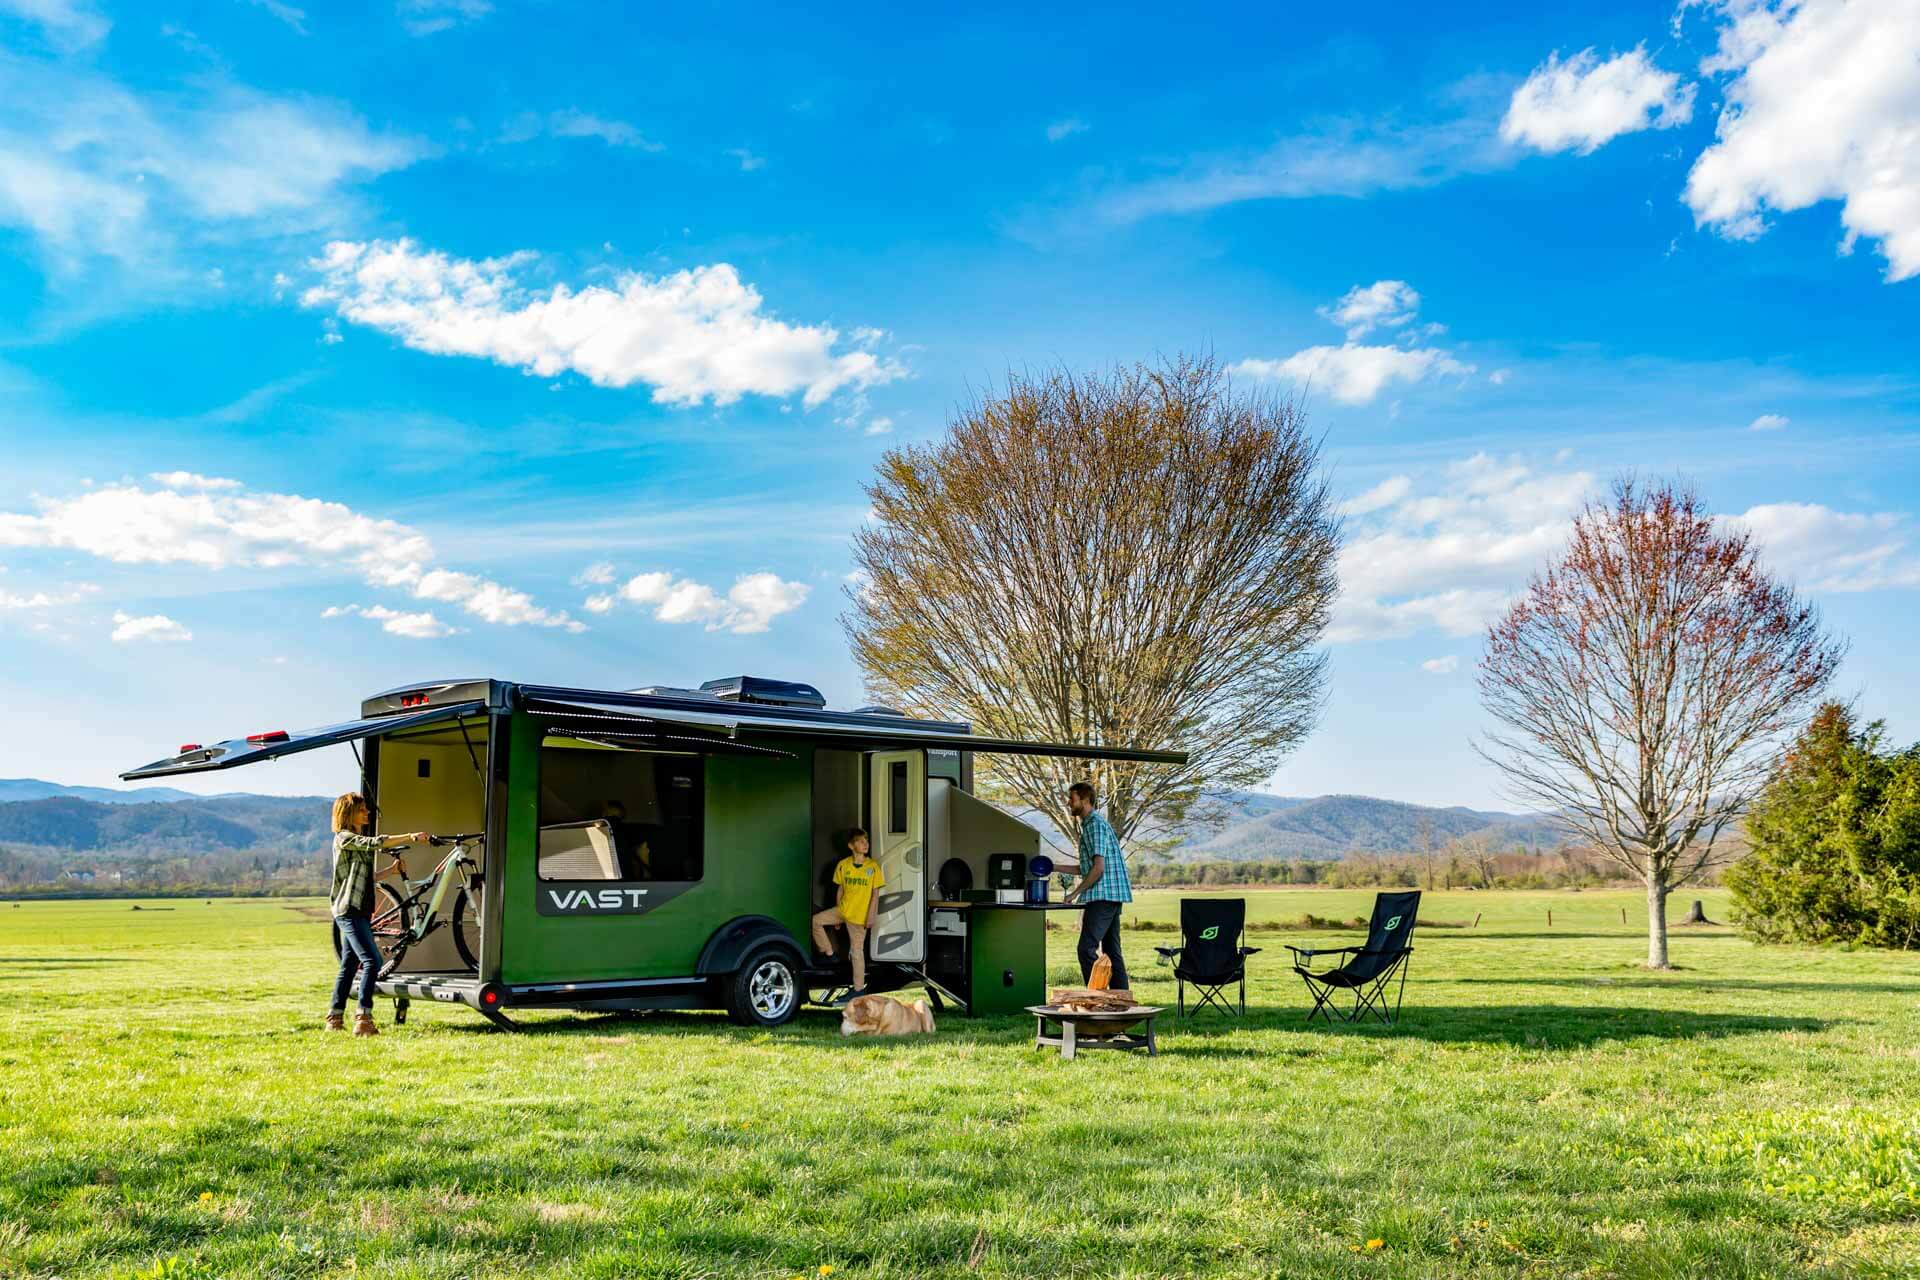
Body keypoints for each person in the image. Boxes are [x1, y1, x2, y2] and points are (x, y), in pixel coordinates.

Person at [326, 793, 431, 1037]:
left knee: (349, 964)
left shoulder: (354, 841)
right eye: (362, 810)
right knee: (372, 960)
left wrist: (390, 872)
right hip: (348, 910)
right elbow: (376, 842)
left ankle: (335, 1017)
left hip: (360, 910)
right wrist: (411, 836)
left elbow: (364, 879)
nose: (367, 813)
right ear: (349, 813)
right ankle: (363, 1018)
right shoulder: (344, 839)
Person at [1060, 780, 1131, 991]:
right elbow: (1087, 867)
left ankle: (1098, 998)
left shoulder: (1094, 825)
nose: (1068, 803)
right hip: (1110, 896)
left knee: (1086, 949)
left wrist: (1074, 893)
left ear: (1084, 800)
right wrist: (1052, 866)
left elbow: (1098, 869)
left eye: (1071, 799)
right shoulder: (1092, 825)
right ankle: (1121, 1002)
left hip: (1103, 896)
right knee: (1111, 953)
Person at [811, 826, 883, 1001]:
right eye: (860, 841)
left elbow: (875, 895)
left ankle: (858, 990)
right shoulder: (843, 865)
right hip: (843, 911)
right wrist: (838, 915)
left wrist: (871, 916)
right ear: (851, 846)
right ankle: (829, 954)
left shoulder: (872, 867)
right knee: (816, 921)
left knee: (856, 952)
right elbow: (840, 890)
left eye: (866, 841)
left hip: (859, 917)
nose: (865, 844)